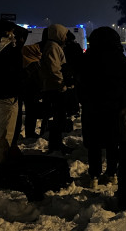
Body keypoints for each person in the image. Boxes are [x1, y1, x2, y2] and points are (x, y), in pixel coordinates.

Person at [79, 27, 126, 187]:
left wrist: (85, 101)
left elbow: (81, 83)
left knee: (94, 144)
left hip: (92, 107)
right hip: (114, 108)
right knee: (113, 143)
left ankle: (94, 175)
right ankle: (112, 173)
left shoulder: (88, 58)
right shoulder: (119, 58)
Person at [0, 19, 23, 182]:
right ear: (8, 32)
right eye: (12, 31)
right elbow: (16, 72)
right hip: (8, 96)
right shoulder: (8, 49)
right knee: (5, 135)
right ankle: (1, 172)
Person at [40, 24, 73, 153]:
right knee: (58, 117)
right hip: (55, 88)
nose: (65, 37)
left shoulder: (52, 46)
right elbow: (54, 69)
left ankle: (56, 143)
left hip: (52, 87)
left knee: (58, 117)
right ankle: (56, 144)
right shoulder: (53, 47)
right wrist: (62, 84)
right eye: (63, 34)